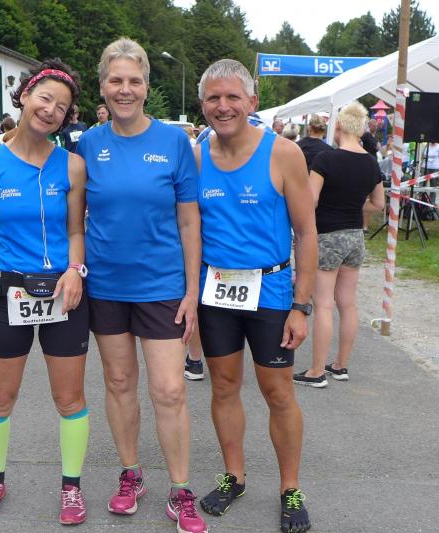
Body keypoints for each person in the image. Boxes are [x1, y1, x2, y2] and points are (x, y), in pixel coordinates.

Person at [76, 38, 206, 533]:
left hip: (163, 287)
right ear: (103, 86)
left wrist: (191, 291)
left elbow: (190, 222)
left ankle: (180, 489)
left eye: (134, 80)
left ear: (147, 87)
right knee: (119, 383)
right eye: (116, 80)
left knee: (170, 390)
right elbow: (74, 219)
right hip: (106, 286)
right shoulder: (89, 145)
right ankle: (130, 474)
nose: (124, 89)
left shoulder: (175, 143)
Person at [0, 59, 90, 525]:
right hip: (6, 294)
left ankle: (71, 487)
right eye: (44, 98)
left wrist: (75, 270)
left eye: (61, 106)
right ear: (24, 97)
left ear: (67, 116)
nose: (50, 109)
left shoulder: (72, 166)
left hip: (64, 294)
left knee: (70, 399)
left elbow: (76, 231)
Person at [193, 59, 317, 533]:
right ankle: (234, 477)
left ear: (252, 101)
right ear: (202, 104)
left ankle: (291, 487)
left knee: (278, 392)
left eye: (232, 97)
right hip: (216, 292)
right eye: (213, 98)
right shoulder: (197, 156)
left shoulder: (283, 153)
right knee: (224, 386)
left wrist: (301, 306)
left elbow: (307, 233)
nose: (223, 106)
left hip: (271, 291)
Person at [294, 101, 384, 389]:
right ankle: (340, 365)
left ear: (341, 126)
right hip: (355, 236)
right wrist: (354, 206)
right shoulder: (371, 162)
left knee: (323, 304)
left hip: (327, 235)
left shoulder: (325, 159)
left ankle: (316, 371)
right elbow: (379, 204)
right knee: (348, 303)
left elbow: (311, 200)